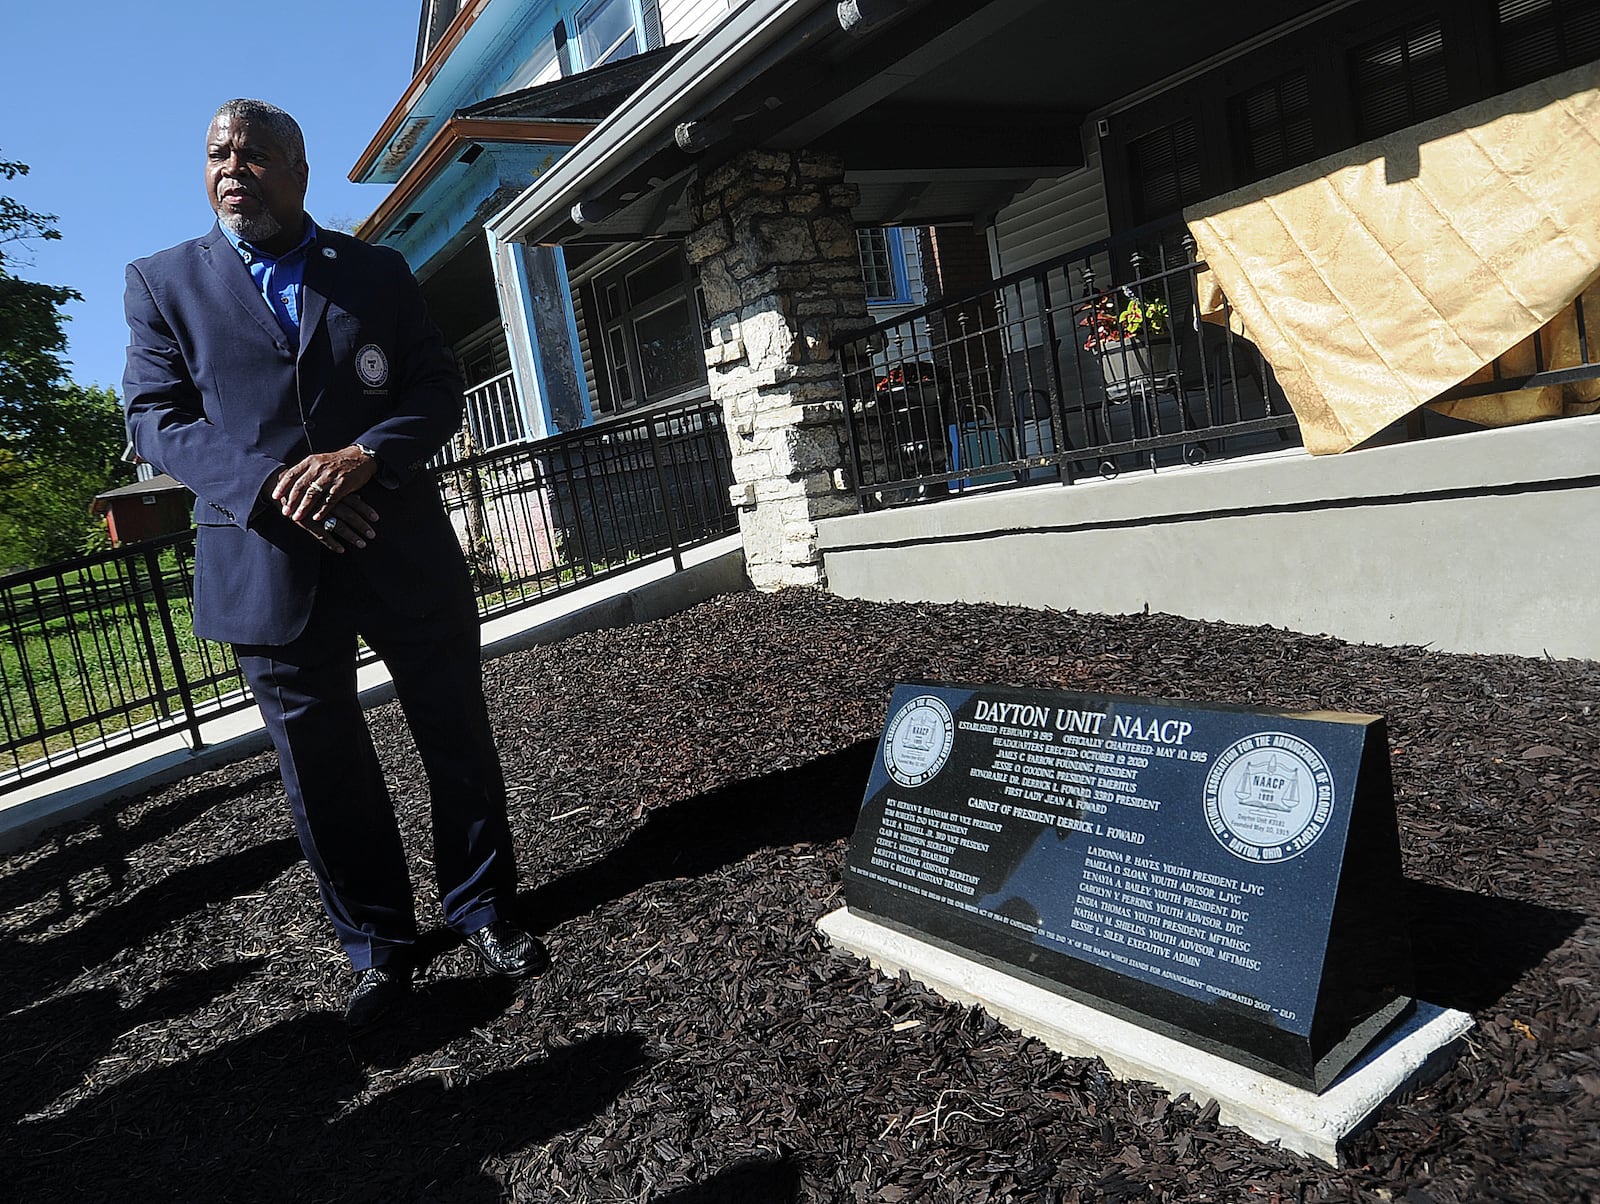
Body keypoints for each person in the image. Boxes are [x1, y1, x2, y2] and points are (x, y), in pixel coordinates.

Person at [123, 98, 548, 1030]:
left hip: (397, 545)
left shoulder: (376, 271)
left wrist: (367, 458)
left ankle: (482, 907)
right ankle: (379, 946)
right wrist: (276, 487)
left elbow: (438, 387)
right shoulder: (161, 284)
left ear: (299, 169)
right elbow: (155, 418)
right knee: (321, 770)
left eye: (257, 152)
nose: (234, 167)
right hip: (266, 565)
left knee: (456, 738)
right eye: (218, 153)